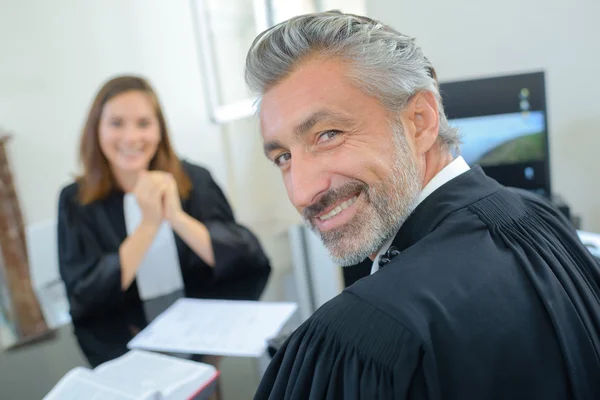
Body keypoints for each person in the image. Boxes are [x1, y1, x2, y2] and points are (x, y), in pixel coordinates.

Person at [245, 11, 600, 400]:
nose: (302, 192)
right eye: (283, 157)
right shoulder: (540, 217)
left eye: (328, 134)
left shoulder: (362, 335)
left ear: (419, 121)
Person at [58, 75, 271, 368]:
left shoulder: (194, 179)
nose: (131, 138)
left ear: (160, 131)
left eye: (144, 123)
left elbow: (251, 261)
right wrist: (148, 226)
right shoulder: (75, 201)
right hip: (124, 352)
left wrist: (176, 217)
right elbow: (83, 302)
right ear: (96, 130)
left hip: (203, 338)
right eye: (117, 123)